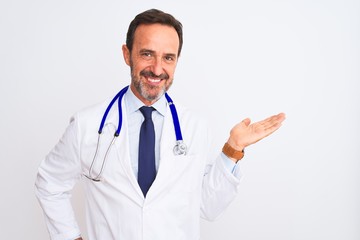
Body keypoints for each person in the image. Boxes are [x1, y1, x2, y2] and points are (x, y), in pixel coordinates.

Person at [35, 8, 285, 240]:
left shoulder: (194, 127)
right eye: (147, 54)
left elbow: (208, 207)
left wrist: (233, 149)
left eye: (168, 58)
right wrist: (69, 236)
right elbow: (50, 182)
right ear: (127, 54)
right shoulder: (87, 124)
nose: (157, 69)